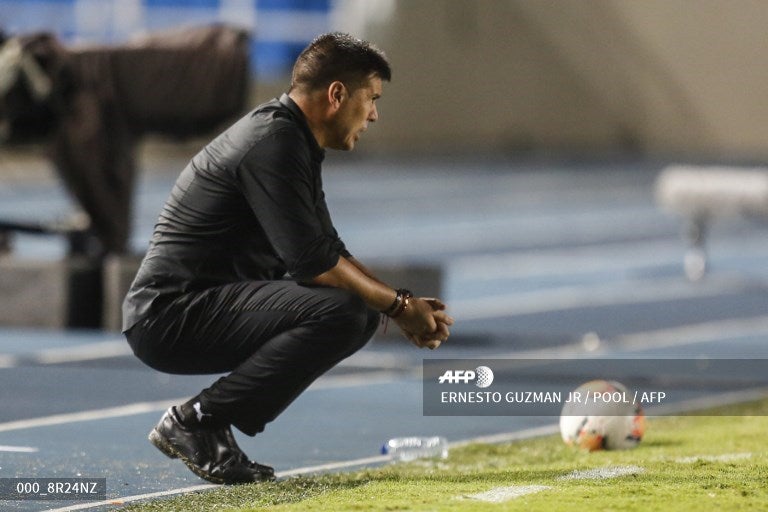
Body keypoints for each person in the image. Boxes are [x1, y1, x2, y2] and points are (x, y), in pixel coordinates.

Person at [122, 32, 453, 485]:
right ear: (337, 94)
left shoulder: (292, 136)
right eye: (371, 99)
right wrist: (397, 306)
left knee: (356, 312)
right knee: (346, 310)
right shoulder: (273, 140)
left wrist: (400, 304)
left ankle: (207, 422)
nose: (374, 114)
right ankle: (196, 420)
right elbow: (315, 265)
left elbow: (330, 249)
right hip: (168, 315)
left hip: (200, 304)